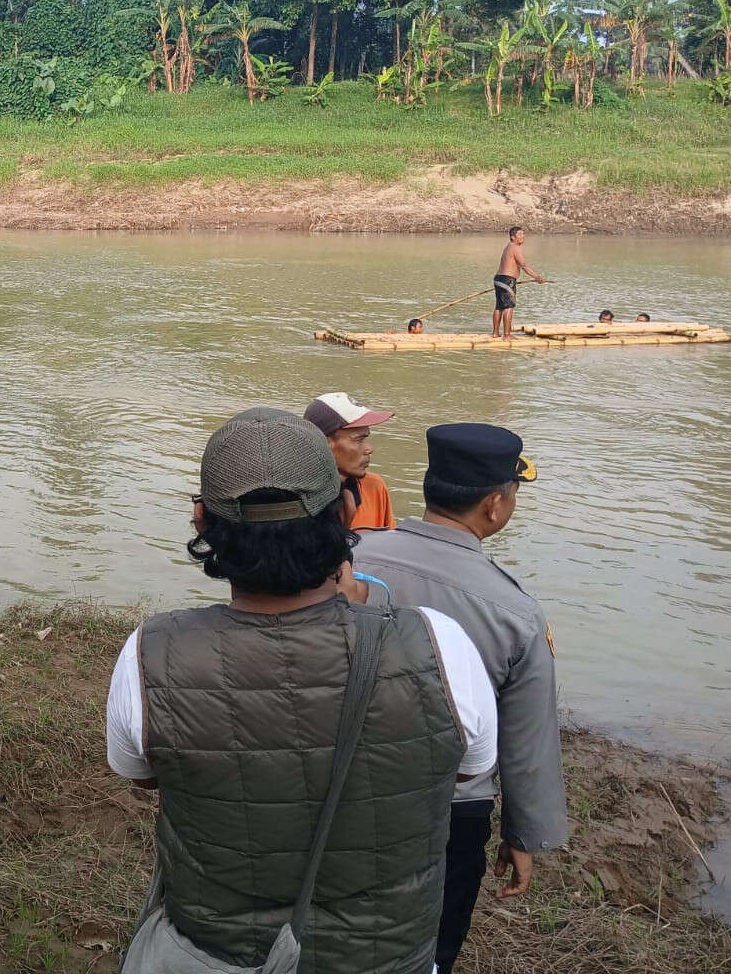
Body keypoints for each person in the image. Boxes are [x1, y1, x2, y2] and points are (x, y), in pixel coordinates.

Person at [106, 408, 496, 974]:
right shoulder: (440, 645)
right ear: (344, 512)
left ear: (201, 522)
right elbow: (464, 769)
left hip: (215, 955)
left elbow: (142, 773)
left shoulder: (149, 655)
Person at [354, 425, 568, 974]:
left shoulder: (350, 557)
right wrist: (523, 833)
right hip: (450, 806)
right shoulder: (514, 611)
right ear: (496, 505)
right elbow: (525, 738)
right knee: (433, 941)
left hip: (340, 780)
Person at [304, 392, 396, 530]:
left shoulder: (374, 487)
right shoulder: (291, 498)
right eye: (359, 439)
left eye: (366, 438)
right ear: (324, 443)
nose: (369, 449)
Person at [492, 226, 546, 338]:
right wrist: (537, 277)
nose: (523, 236)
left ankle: (495, 333)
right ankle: (507, 335)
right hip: (507, 280)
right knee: (508, 307)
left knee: (499, 307)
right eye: (520, 235)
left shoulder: (508, 247)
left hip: (499, 279)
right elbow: (524, 266)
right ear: (513, 237)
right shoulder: (515, 247)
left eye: (523, 234)